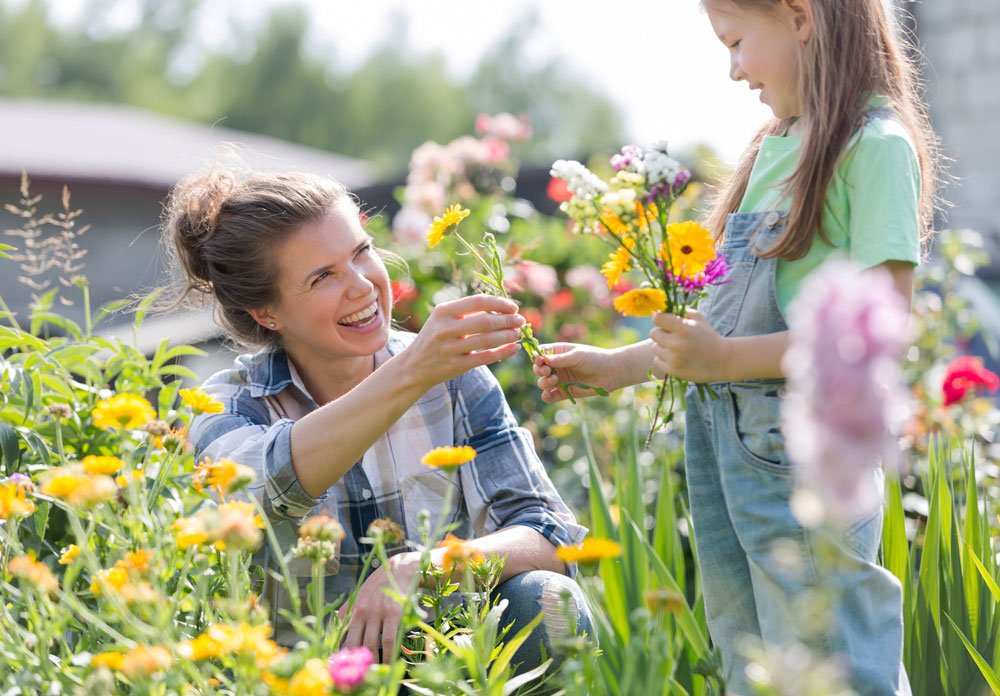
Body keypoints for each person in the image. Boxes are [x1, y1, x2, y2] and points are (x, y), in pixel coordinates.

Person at [534, 1, 939, 693]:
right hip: (722, 444)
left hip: (804, 454)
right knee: (752, 656)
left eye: (738, 42)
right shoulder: (774, 146)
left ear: (800, 16)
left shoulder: (875, 147)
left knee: (832, 654)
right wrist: (615, 368)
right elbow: (719, 320)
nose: (733, 70)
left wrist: (722, 362)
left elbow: (880, 326)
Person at [165, 167, 590, 670]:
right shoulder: (228, 407)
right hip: (301, 676)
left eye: (361, 252)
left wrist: (426, 568)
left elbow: (549, 532)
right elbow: (265, 486)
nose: (362, 285)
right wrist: (413, 371)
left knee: (546, 598)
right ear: (267, 313)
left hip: (444, 666)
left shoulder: (451, 378)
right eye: (323, 277)